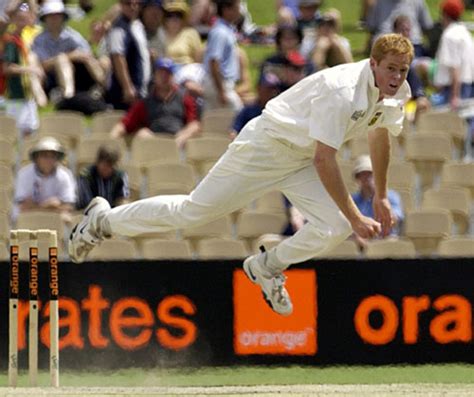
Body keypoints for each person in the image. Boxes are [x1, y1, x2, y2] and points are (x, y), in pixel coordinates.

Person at [69, 33, 413, 317]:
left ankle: (267, 266)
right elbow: (326, 160)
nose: (397, 77)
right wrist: (356, 215)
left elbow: (379, 134)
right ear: (372, 64)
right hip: (264, 146)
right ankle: (102, 221)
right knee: (192, 212)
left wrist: (381, 195)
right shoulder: (342, 90)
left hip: (299, 159)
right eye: (391, 69)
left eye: (403, 70)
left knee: (334, 227)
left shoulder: (398, 93)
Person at [109, 57, 201, 149]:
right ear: (155, 75)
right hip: (154, 142)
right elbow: (124, 124)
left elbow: (194, 124)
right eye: (161, 73)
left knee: (193, 129)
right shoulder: (145, 102)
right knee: (142, 134)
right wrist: (110, 140)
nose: (164, 77)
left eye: (167, 73)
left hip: (178, 141)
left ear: (173, 76)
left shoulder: (184, 98)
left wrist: (182, 136)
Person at [31, 0, 105, 100]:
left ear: (63, 17)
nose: (54, 19)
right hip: (51, 77)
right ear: (45, 18)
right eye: (51, 16)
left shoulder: (72, 35)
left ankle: (105, 87)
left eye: (58, 15)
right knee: (61, 60)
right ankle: (68, 96)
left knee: (93, 58)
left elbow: (87, 54)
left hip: (76, 73)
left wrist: (77, 56)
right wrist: (68, 56)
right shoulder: (39, 40)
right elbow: (41, 65)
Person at [2, 2, 45, 138]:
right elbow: (6, 68)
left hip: (26, 95)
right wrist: (30, 70)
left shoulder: (23, 38)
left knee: (30, 134)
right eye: (19, 18)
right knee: (15, 135)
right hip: (15, 96)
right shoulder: (10, 40)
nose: (24, 21)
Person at [13, 136, 76, 222]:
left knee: (67, 217)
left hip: (55, 218)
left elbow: (68, 206)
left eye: (52, 156)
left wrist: (37, 207)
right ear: (36, 158)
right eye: (44, 156)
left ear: (57, 158)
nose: (48, 160)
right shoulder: (24, 174)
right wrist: (47, 205)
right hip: (29, 217)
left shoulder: (65, 175)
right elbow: (23, 205)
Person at [105, 0, 151, 110]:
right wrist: (127, 87)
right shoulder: (118, 28)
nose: (133, 7)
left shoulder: (137, 25)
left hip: (140, 90)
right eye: (128, 3)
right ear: (121, 5)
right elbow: (118, 56)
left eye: (136, 4)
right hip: (125, 94)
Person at [351, 155, 404, 250]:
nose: (366, 177)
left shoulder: (391, 196)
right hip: (361, 244)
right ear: (357, 177)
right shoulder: (352, 200)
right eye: (362, 174)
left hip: (386, 241)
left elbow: (396, 219)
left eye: (369, 173)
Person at [202, 0, 242, 112]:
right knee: (238, 115)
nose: (239, 11)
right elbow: (214, 61)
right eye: (236, 8)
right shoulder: (220, 32)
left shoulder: (226, 30)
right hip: (219, 84)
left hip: (222, 84)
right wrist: (221, 91)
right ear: (226, 10)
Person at [76, 145, 130, 210]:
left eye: (110, 166)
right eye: (105, 165)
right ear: (98, 162)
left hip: (112, 214)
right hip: (88, 214)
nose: (107, 169)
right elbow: (86, 203)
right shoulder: (86, 176)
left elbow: (123, 200)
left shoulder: (120, 176)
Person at [230, 72, 281, 139]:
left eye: (274, 89)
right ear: (258, 88)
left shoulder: (278, 111)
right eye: (268, 89)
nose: (272, 92)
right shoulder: (248, 110)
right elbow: (234, 130)